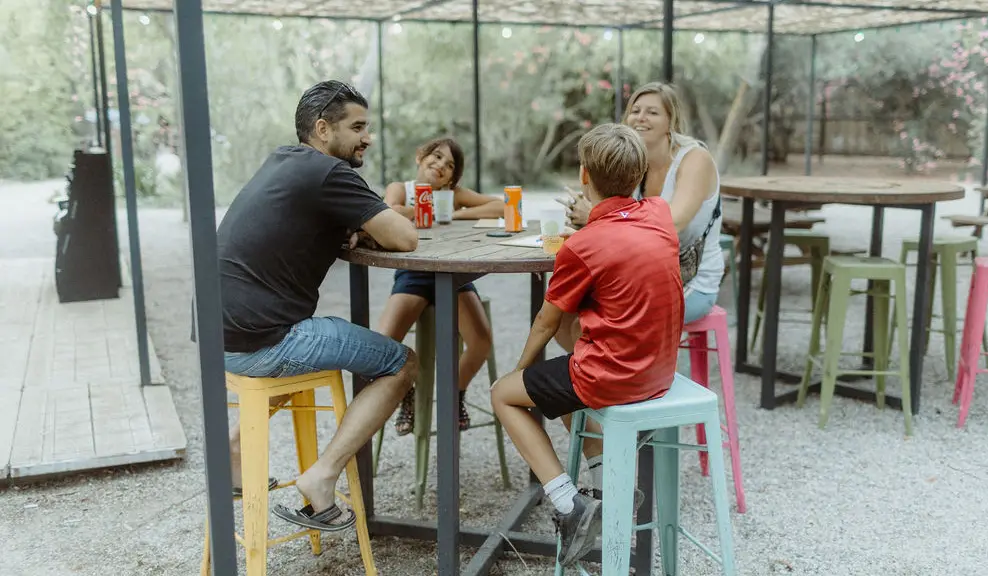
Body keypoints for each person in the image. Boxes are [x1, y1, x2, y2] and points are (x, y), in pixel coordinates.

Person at [217, 79, 420, 533]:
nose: (367, 137)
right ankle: (322, 475)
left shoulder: (285, 160)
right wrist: (366, 227)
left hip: (222, 336)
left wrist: (351, 228)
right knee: (401, 363)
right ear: (323, 129)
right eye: (358, 127)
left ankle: (233, 449)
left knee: (310, 349)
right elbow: (405, 238)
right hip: (264, 340)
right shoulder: (331, 172)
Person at [490, 124, 684, 566]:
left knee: (505, 394)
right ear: (640, 173)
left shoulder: (582, 245)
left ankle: (568, 504)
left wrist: (519, 374)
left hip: (614, 378)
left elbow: (546, 319)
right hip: (659, 371)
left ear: (583, 175)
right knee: (562, 373)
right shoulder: (659, 214)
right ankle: (603, 486)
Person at [559, 81, 723, 350]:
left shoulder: (695, 159)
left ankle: (620, 380)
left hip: (691, 283)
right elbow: (619, 224)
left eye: (653, 112)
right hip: (644, 276)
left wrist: (597, 217)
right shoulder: (635, 161)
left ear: (672, 121)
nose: (641, 118)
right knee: (565, 308)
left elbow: (673, 223)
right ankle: (597, 376)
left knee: (597, 319)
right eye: (635, 110)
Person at [377, 137, 503, 435]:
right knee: (382, 342)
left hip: (453, 273)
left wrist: (455, 213)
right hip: (414, 274)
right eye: (436, 157)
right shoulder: (401, 189)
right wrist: (427, 207)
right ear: (420, 157)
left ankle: (453, 393)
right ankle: (406, 390)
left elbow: (500, 205)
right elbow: (387, 210)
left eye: (450, 166)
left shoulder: (452, 195)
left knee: (482, 340)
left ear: (453, 177)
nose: (441, 166)